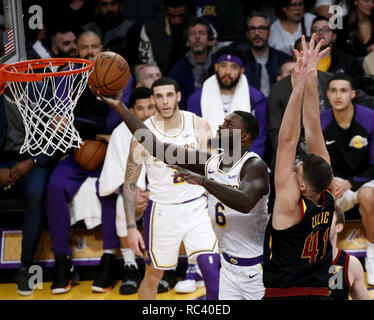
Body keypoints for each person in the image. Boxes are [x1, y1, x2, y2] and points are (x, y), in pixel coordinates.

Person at [94, 77, 270, 300]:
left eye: (227, 125)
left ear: (243, 137)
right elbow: (156, 146)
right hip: (223, 260)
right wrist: (119, 107)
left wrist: (204, 182)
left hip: (255, 267)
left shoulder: (254, 165)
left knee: (210, 269)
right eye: (223, 122)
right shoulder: (211, 163)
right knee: (157, 274)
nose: (219, 126)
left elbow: (244, 202)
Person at [45, 30, 131, 294]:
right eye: (85, 48)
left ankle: (107, 261)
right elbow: (59, 120)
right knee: (54, 188)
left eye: (95, 46)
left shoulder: (117, 72)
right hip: (78, 151)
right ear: (77, 51)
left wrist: (80, 127)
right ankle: (63, 262)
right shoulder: (66, 76)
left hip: (109, 151)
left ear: (102, 47)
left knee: (107, 191)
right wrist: (89, 133)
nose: (90, 52)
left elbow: (114, 122)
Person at [262, 34, 335, 300]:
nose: (293, 168)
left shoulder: (290, 205)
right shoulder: (326, 194)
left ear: (301, 187)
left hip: (283, 294)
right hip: (320, 291)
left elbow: (287, 140)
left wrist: (296, 89)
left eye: (296, 170)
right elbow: (314, 129)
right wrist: (311, 75)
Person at [0, 89, 61, 296]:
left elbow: (58, 138)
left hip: (33, 160)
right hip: (2, 161)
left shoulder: (42, 91)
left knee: (36, 193)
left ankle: (26, 266)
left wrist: (33, 161)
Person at [97, 87, 156, 295]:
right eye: (141, 109)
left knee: (166, 203)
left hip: (159, 192)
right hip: (134, 191)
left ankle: (164, 268)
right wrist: (136, 193)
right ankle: (130, 267)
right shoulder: (120, 132)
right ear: (131, 110)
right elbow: (116, 174)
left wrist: (150, 192)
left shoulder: (166, 128)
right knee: (124, 203)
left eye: (151, 107)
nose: (147, 113)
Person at [320, 72, 374, 286]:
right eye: (333, 90)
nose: (338, 95)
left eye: (343, 90)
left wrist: (351, 183)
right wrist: (330, 180)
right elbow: (314, 160)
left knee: (369, 196)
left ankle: (372, 255)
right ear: (327, 94)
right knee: (322, 200)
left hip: (364, 179)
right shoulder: (321, 120)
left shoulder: (369, 118)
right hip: (334, 180)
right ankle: (329, 263)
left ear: (352, 94)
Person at [187, 45, 268, 158]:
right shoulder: (196, 99)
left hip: (244, 162)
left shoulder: (256, 99)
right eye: (223, 66)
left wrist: (247, 164)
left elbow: (258, 139)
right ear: (216, 67)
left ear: (242, 71)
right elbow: (194, 137)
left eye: (234, 67)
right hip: (206, 161)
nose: (228, 72)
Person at [234, 11, 292, 97]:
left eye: (261, 28)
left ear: (269, 32)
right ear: (247, 33)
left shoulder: (284, 60)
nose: (257, 33)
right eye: (252, 29)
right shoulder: (239, 62)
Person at [169, 17, 215, 109]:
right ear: (187, 42)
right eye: (192, 34)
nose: (197, 37)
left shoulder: (219, 67)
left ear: (210, 41)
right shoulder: (177, 71)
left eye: (201, 33)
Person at [138, 0, 192, 75]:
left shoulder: (198, 25)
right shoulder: (151, 28)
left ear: (186, 10)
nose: (177, 20)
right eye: (172, 16)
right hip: (160, 76)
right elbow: (146, 59)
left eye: (181, 15)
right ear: (165, 11)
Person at [328, 206, 371, 300]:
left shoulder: (351, 264)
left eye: (327, 217)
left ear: (338, 227)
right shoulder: (296, 258)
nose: (321, 221)